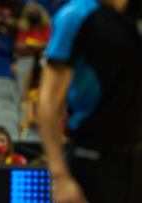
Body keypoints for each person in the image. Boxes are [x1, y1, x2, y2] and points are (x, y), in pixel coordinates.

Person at [38, 0, 142, 202]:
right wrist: (60, 177)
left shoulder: (133, 18)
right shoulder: (75, 16)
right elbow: (47, 101)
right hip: (92, 162)